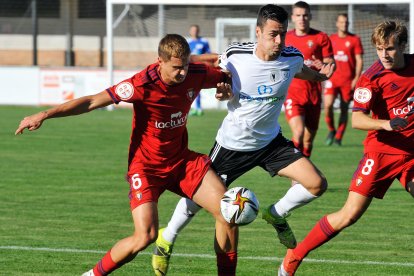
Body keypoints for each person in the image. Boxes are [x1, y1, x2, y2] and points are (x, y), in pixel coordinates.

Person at [15, 34, 239, 276]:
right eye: (176, 68)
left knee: (228, 213)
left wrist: (227, 93)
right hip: (146, 168)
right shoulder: (141, 84)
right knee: (146, 235)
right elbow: (91, 101)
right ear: (159, 61)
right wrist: (45, 114)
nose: (182, 73)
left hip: (181, 161)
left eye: (185, 66)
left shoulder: (196, 72)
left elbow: (231, 77)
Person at [151, 4, 335, 275]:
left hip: (271, 144)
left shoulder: (291, 57)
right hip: (232, 146)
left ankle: (276, 213)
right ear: (258, 32)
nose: (279, 41)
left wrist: (319, 75)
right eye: (273, 34)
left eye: (283, 34)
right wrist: (177, 73)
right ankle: (168, 237)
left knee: (317, 184)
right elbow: (210, 65)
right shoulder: (237, 56)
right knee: (197, 196)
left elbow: (302, 70)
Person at [279, 20, 414, 276]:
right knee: (349, 215)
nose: (384, 55)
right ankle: (294, 256)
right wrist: (386, 124)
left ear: (404, 47)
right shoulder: (372, 77)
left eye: (390, 49)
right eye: (379, 48)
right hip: (381, 153)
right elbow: (357, 119)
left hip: (410, 155)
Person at [284, 1, 335, 157]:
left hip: (313, 95)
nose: (302, 18)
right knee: (298, 133)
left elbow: (331, 63)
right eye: (298, 15)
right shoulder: (285, 38)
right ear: (292, 17)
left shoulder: (321, 37)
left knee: (307, 141)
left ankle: (304, 175)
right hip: (293, 94)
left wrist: (324, 65)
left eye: (305, 15)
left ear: (310, 16)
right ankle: (295, 179)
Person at [324, 13, 364, 146]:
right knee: (328, 105)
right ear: (337, 23)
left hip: (348, 81)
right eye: (341, 22)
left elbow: (359, 61)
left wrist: (356, 79)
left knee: (343, 108)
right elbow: (326, 57)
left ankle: (338, 137)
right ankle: (331, 130)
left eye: (346, 22)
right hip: (332, 79)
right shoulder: (331, 38)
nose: (344, 24)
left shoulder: (355, 39)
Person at [187, 24, 211, 116]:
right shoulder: (188, 42)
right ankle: (195, 108)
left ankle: (198, 108)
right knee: (192, 89)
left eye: (196, 30)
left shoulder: (204, 41)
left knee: (197, 88)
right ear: (190, 31)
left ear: (198, 31)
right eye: (192, 30)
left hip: (200, 68)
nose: (194, 32)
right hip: (190, 69)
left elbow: (208, 54)